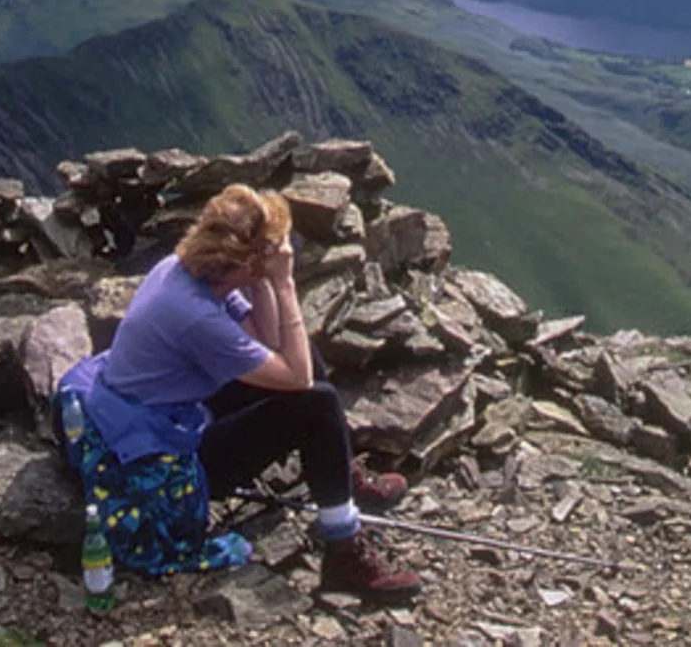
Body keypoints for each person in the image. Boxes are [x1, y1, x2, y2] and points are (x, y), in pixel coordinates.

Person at [55, 183, 422, 600]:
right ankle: (343, 548)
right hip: (155, 458)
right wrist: (283, 285)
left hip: (161, 411)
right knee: (315, 402)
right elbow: (296, 380)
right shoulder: (194, 316)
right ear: (249, 260)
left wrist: (261, 281)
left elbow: (270, 345)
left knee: (304, 355)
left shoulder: (185, 272)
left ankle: (343, 474)